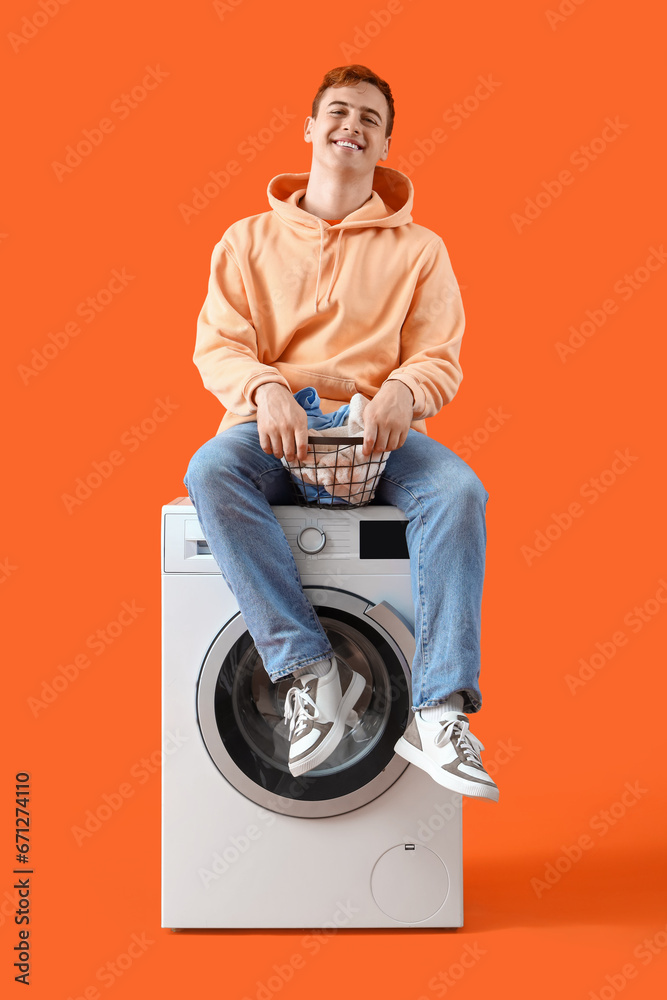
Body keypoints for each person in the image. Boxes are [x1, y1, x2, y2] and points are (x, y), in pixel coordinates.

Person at [184, 64, 499, 802]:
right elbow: (218, 346)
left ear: (385, 142)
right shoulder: (246, 240)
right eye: (336, 111)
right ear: (308, 127)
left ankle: (437, 710)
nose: (349, 125)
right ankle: (310, 668)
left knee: (456, 491)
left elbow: (437, 357)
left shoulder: (420, 251)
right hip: (275, 425)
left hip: (374, 431)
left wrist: (401, 389)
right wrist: (266, 387)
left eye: (367, 117)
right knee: (209, 473)